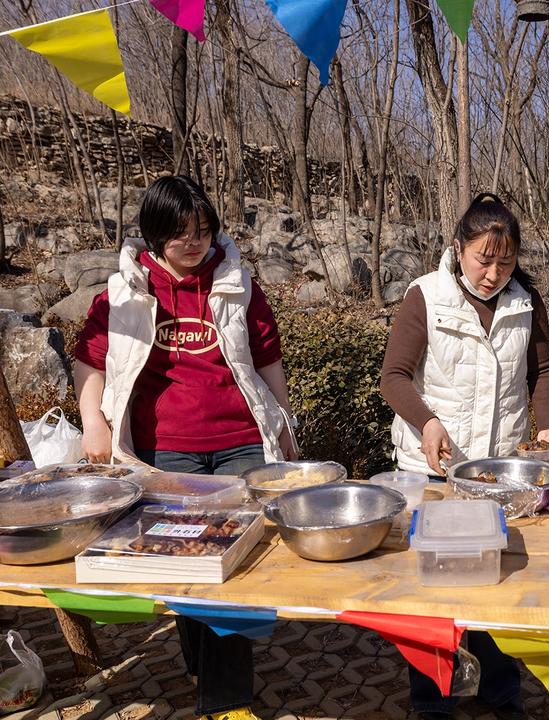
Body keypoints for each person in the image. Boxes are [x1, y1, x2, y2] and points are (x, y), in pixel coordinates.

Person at [73, 175, 298, 720]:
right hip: (166, 449)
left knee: (234, 567)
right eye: (180, 235)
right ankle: (207, 663)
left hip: (241, 441)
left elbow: (267, 358)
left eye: (202, 230)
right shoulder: (124, 292)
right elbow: (89, 359)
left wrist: (283, 420)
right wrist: (94, 425)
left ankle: (227, 699)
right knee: (188, 564)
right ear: (154, 235)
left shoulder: (236, 281)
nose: (195, 243)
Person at [379, 192, 549, 719]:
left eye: (505, 263)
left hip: (497, 469)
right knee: (436, 588)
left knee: (495, 583)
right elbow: (393, 378)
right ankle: (431, 700)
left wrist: (546, 430)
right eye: (484, 259)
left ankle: (500, 689)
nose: (493, 274)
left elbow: (542, 374)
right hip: (432, 466)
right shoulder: (425, 296)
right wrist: (428, 422)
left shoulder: (526, 302)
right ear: (458, 249)